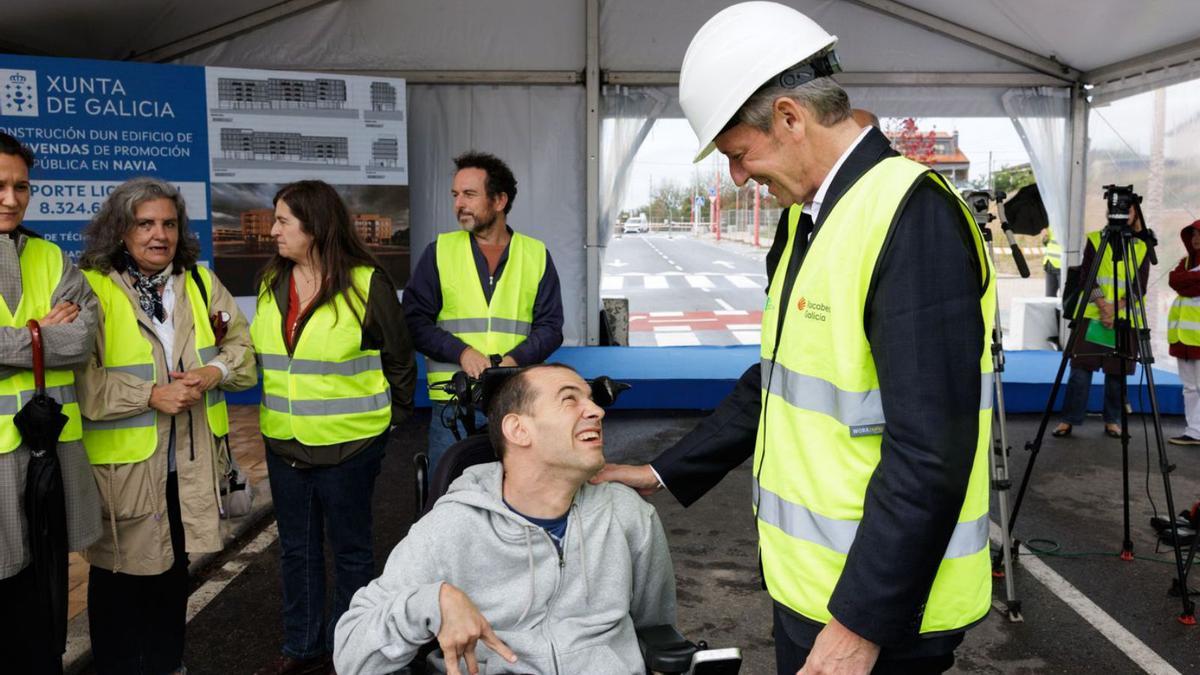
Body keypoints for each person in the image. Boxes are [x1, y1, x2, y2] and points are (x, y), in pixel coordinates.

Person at [594, 4, 995, 674]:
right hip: (815, 594)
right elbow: (777, 381)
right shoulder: (807, 220)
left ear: (788, 117)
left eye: (737, 155)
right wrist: (663, 470)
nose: (739, 177)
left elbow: (931, 449)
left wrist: (860, 626)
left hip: (881, 617)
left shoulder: (909, 215)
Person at [333, 363, 675, 675]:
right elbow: (351, 654)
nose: (597, 411)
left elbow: (657, 630)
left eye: (592, 400)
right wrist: (429, 603)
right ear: (518, 430)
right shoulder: (452, 527)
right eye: (570, 400)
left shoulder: (628, 515)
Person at [75, 177, 257, 674]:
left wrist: (213, 370)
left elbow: (243, 352)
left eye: (169, 223)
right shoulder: (90, 286)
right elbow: (79, 383)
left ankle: (167, 665)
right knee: (117, 582)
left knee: (173, 578)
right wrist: (150, 395)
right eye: (146, 223)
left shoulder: (199, 282)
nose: (160, 235)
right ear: (120, 230)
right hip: (125, 473)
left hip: (192, 466)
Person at [251, 180, 416, 675]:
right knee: (297, 553)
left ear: (315, 227)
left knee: (351, 553)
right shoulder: (271, 283)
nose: (273, 231)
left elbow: (401, 363)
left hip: (351, 449)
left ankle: (351, 649)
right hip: (284, 444)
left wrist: (387, 427)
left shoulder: (368, 283)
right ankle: (302, 647)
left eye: (283, 221)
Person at [0, 132, 102, 673]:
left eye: (22, 186)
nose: (12, 198)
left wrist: (13, 342)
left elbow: (83, 339)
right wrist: (41, 340)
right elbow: (60, 342)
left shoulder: (50, 255)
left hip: (48, 456)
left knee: (44, 602)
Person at [403, 152, 563, 473]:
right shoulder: (440, 252)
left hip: (515, 401)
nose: (459, 203)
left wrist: (514, 362)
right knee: (448, 503)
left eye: (469, 194)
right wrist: (461, 352)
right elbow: (413, 320)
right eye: (455, 195)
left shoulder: (535, 255)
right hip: (452, 405)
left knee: (517, 498)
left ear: (500, 200)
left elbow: (551, 327)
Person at [1051, 209, 1150, 440]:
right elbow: (1087, 275)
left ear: (1136, 215)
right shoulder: (1096, 239)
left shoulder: (1142, 246)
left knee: (1117, 372)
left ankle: (1112, 420)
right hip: (1093, 314)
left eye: (1129, 210)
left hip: (1124, 318)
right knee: (1080, 369)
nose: (1123, 213)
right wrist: (1104, 306)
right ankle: (1069, 419)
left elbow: (1140, 285)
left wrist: (1114, 310)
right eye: (1119, 208)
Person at [1166, 220, 1200, 445]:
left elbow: (1183, 282)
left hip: (1197, 339)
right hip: (1182, 338)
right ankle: (1193, 431)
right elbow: (1174, 281)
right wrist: (1190, 279)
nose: (1196, 238)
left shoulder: (1184, 265)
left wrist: (1186, 280)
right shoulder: (1185, 261)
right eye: (1194, 234)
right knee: (1189, 387)